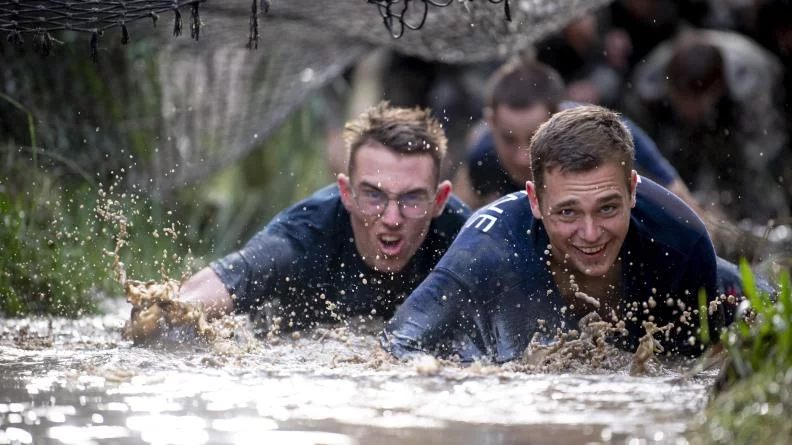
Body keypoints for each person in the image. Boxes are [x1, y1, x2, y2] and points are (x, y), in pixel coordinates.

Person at [381, 105, 728, 363]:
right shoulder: (485, 248)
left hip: (729, 279)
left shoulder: (681, 241)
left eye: (607, 208)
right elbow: (395, 347)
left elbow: (702, 366)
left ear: (633, 191)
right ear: (535, 200)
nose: (590, 233)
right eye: (567, 212)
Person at [133, 101, 471, 337]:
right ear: (346, 193)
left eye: (412, 198)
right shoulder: (301, 238)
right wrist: (155, 320)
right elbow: (195, 296)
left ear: (439, 200)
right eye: (374, 195)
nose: (392, 218)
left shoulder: (464, 238)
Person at [625, 28, 790, 224]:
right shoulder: (647, 84)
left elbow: (761, 152)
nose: (688, 110)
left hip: (750, 117)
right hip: (674, 128)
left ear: (715, 89)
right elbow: (640, 151)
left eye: (695, 103)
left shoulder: (750, 80)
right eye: (682, 101)